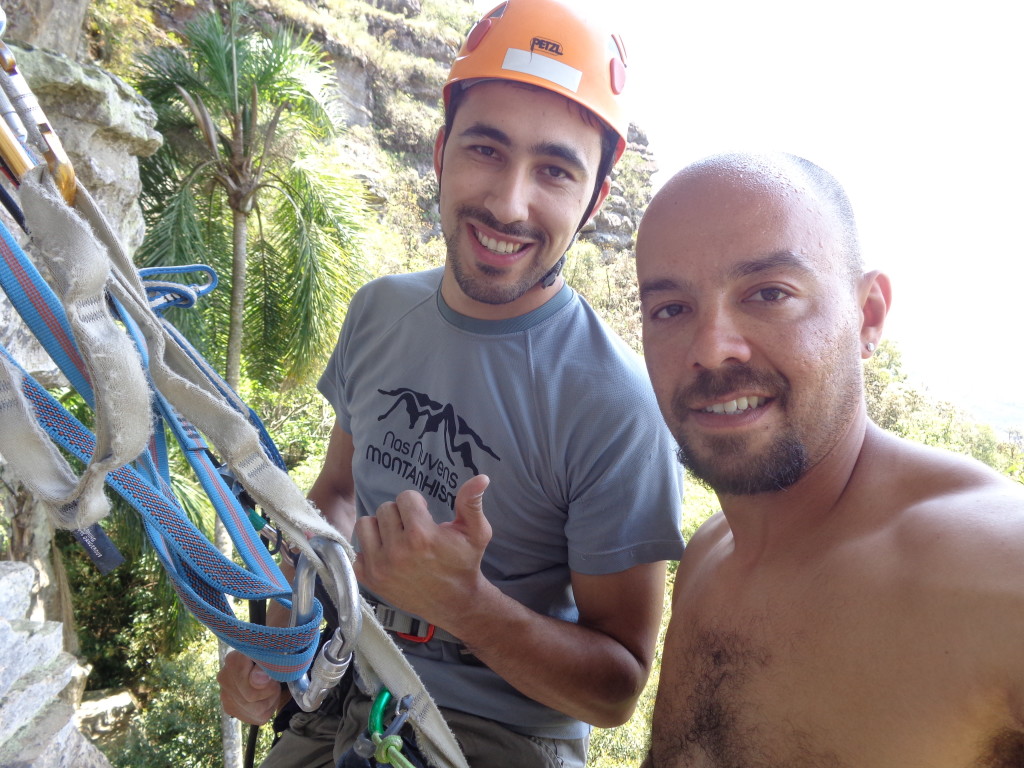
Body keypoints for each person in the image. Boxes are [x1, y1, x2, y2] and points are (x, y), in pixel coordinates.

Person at [218, 1, 685, 766]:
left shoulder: (615, 404)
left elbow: (616, 689)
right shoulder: (379, 311)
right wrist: (279, 637)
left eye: (556, 172)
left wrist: (465, 607)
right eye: (486, 150)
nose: (509, 202)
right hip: (337, 696)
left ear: (595, 199)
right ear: (441, 152)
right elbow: (335, 494)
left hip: (496, 739)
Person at [634, 151, 1024, 767]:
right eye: (671, 308)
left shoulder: (992, 567)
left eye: (768, 293)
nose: (711, 349)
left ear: (868, 317)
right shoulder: (711, 556)